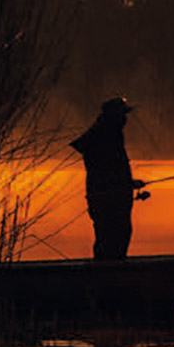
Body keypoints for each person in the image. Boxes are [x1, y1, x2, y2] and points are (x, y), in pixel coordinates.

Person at [70, 96, 147, 260]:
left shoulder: (106, 134)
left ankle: (107, 272)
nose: (125, 119)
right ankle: (109, 275)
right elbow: (106, 170)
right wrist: (125, 184)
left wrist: (128, 183)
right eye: (122, 115)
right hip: (108, 199)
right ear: (114, 117)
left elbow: (108, 170)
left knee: (112, 237)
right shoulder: (105, 136)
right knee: (112, 238)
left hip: (108, 196)